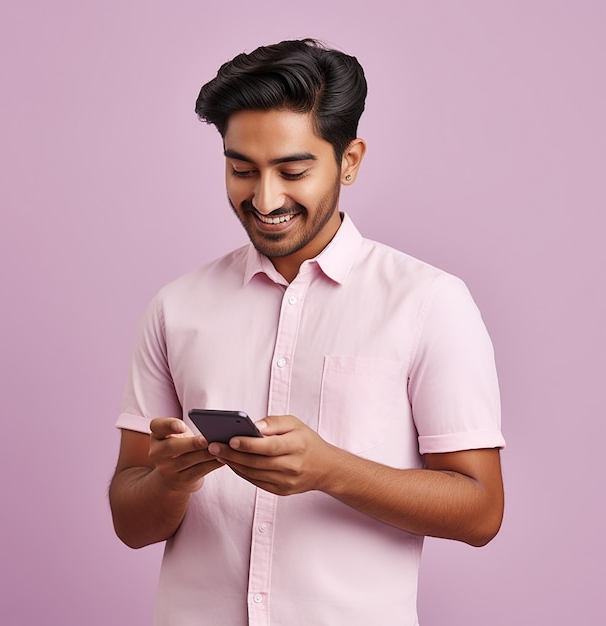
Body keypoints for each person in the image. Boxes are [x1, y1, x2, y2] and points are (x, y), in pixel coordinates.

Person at [109, 39, 505, 626]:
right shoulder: (177, 307)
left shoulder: (428, 303)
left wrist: (330, 470)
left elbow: (481, 512)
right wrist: (168, 480)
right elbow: (128, 521)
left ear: (349, 160)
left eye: (292, 170)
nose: (264, 199)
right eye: (242, 169)